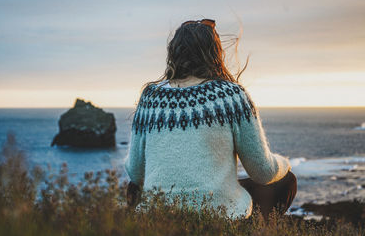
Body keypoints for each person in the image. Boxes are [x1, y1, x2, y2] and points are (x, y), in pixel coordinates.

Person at [124, 18, 297, 220]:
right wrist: (285, 164)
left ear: (173, 52)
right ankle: (255, 231)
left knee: (133, 188)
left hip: (160, 218)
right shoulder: (230, 95)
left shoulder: (150, 98)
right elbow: (263, 172)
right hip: (218, 216)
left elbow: (135, 173)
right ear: (216, 53)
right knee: (287, 181)